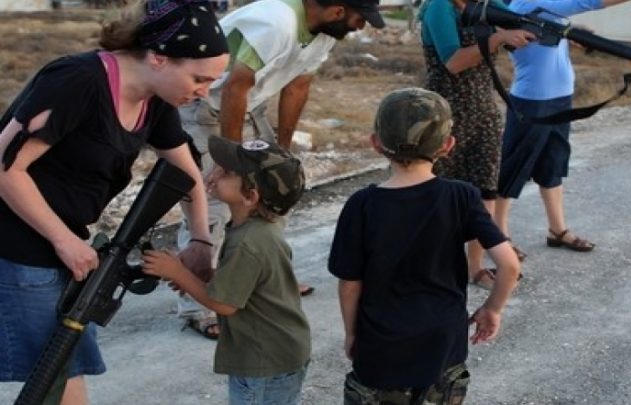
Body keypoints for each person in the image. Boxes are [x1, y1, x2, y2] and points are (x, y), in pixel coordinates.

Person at [0, 1, 229, 403]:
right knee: (54, 373)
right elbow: (5, 167)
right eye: (199, 79)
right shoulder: (78, 81)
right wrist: (63, 240)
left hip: (62, 243)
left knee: (62, 369)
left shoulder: (154, 98)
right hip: (16, 244)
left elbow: (186, 172)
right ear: (159, 57)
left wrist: (199, 241)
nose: (203, 92)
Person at [175, 0, 386, 338]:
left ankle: (262, 279)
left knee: (275, 186)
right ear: (337, 11)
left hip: (248, 105)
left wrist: (283, 152)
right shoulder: (278, 22)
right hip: (206, 106)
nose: (360, 27)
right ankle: (199, 305)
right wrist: (233, 162)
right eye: (360, 19)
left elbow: (297, 87)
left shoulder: (323, 34)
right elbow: (233, 87)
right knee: (216, 198)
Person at [329, 88, 522, 404]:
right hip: (443, 345)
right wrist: (492, 309)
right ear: (447, 145)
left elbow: (350, 283)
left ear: (376, 143)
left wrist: (352, 333)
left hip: (380, 347)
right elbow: (509, 265)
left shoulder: (361, 205)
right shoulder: (462, 196)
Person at [142, 135, 310, 405]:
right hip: (278, 352)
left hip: (263, 362)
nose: (216, 172)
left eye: (228, 172)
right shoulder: (256, 230)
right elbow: (250, 285)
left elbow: (224, 304)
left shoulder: (248, 242)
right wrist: (206, 279)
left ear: (250, 196)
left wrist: (178, 272)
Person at [495, 0, 631, 254]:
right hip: (532, 100)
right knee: (514, 167)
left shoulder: (545, 7)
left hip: (560, 97)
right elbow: (588, 2)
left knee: (553, 164)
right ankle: (499, 236)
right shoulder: (528, 3)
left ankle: (557, 230)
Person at [418, 0, 534, 289]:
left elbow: (519, 23)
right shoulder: (440, 7)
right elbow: (454, 62)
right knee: (440, 192)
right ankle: (434, 264)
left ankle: (476, 266)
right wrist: (498, 38)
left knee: (485, 191)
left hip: (483, 113)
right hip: (446, 114)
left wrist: (563, 33)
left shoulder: (486, 6)